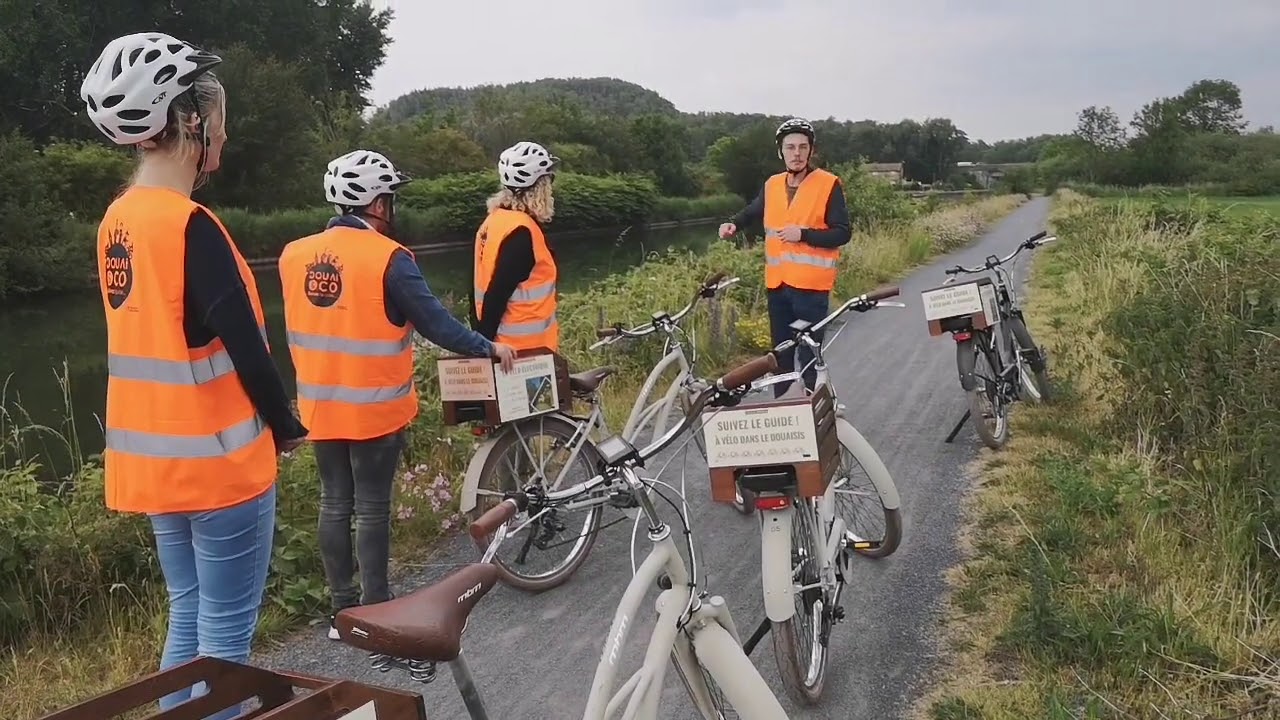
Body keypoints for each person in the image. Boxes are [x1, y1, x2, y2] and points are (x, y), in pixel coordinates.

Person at [80, 32, 308, 718]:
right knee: (227, 642)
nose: (226, 133)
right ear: (188, 122)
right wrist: (288, 429)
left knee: (189, 619)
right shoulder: (190, 226)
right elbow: (247, 349)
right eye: (220, 117)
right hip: (220, 466)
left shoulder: (117, 221)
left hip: (155, 465)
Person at [278, 149, 515, 640]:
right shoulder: (390, 259)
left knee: (333, 503)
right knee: (370, 507)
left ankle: (341, 615)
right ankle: (377, 608)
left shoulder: (293, 255)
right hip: (374, 410)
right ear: (378, 204)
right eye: (390, 197)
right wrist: (488, 347)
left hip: (319, 406)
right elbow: (437, 325)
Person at [719, 118, 852, 396]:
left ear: (811, 151)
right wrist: (734, 223)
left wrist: (804, 234)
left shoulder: (828, 185)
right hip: (778, 287)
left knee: (808, 357)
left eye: (803, 147)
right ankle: (785, 412)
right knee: (780, 355)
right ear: (781, 151)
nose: (796, 153)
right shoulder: (772, 184)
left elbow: (842, 233)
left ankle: (814, 416)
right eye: (790, 147)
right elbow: (753, 210)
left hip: (810, 289)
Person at [471, 141, 560, 352]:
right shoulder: (521, 232)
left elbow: (475, 288)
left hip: (507, 350)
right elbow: (496, 295)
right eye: (548, 181)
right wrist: (485, 348)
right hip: (524, 356)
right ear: (539, 187)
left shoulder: (493, 222)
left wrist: (480, 340)